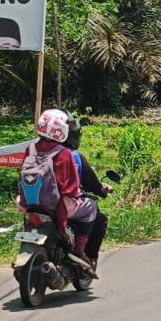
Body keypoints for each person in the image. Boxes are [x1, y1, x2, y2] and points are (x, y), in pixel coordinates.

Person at [30, 109, 99, 277]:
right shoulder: (67, 154)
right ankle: (78, 251)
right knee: (91, 207)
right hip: (58, 204)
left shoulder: (32, 149)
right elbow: (72, 186)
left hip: (29, 201)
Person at [63, 115, 113, 271]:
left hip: (31, 203)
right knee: (94, 211)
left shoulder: (37, 152)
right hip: (62, 203)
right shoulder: (74, 156)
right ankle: (80, 252)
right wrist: (103, 191)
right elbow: (92, 183)